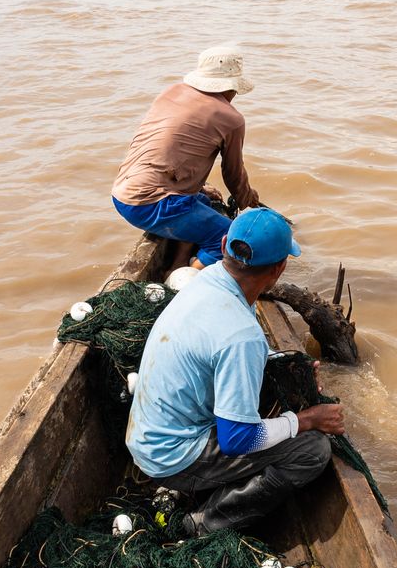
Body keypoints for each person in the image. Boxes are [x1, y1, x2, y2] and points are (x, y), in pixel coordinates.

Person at [126, 208, 345, 534]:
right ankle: (201, 524)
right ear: (280, 268)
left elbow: (226, 347)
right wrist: (307, 420)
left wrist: (288, 363)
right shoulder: (241, 336)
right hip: (171, 458)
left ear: (226, 243)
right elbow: (236, 440)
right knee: (312, 450)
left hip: (146, 438)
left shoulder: (208, 281)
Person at [112, 44, 260, 268]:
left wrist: (199, 188)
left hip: (122, 193)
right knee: (232, 241)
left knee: (202, 200)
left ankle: (178, 263)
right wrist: (246, 198)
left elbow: (165, 154)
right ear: (231, 87)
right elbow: (233, 174)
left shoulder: (171, 93)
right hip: (151, 204)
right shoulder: (231, 118)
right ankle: (185, 279)